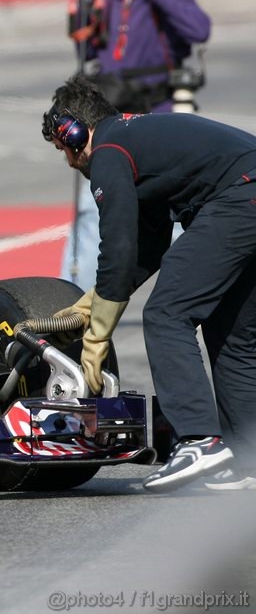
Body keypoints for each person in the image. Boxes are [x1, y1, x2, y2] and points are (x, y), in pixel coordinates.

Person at [43, 75, 256, 493]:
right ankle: (248, 457)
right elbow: (149, 244)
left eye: (63, 149)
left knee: (166, 313)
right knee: (231, 333)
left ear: (74, 131)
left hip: (239, 199)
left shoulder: (107, 151)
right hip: (245, 196)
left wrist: (98, 334)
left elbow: (118, 244)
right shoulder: (136, 138)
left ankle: (198, 441)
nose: (69, 162)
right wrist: (93, 302)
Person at [62, 0, 211, 290]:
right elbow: (87, 46)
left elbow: (198, 29)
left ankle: (194, 281)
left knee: (172, 207)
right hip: (111, 114)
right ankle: (67, 290)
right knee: (90, 201)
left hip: (156, 110)